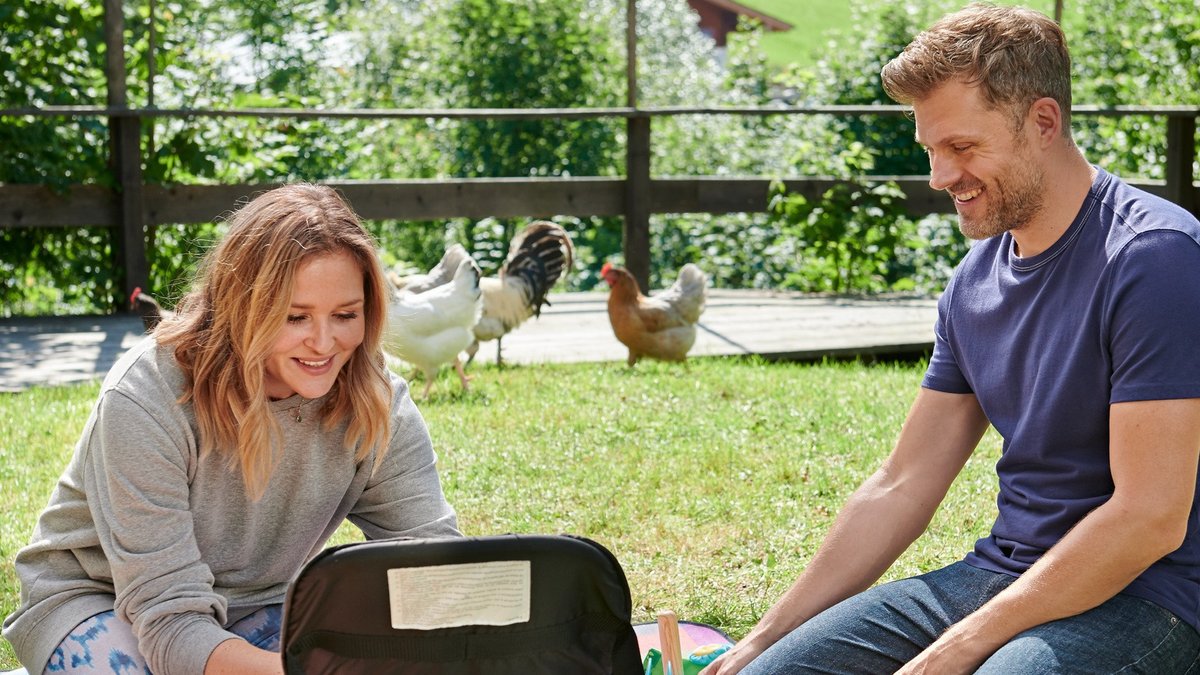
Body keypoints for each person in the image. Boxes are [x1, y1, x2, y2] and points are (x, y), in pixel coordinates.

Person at [705, 4, 1200, 674]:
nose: (940, 177)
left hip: (1148, 599)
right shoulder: (973, 284)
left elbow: (1149, 517)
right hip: (998, 577)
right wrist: (763, 639)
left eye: (962, 148)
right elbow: (902, 482)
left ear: (1044, 123)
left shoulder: (1154, 257)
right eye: (932, 150)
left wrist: (963, 646)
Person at [2, 184, 461, 675]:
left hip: (261, 603)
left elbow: (431, 564)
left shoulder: (376, 401)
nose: (325, 342)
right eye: (295, 316)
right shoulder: (147, 396)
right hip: (102, 600)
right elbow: (170, 618)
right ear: (245, 305)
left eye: (346, 315)